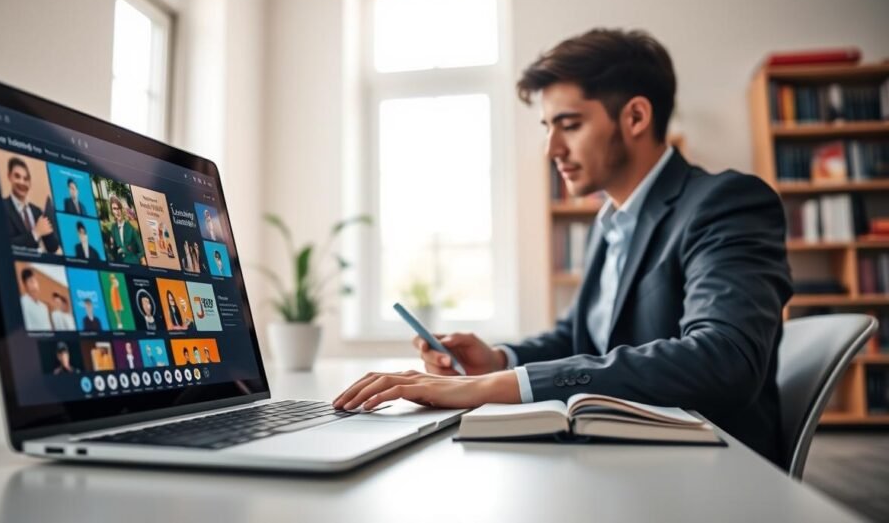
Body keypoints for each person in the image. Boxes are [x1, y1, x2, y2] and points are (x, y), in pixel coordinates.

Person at [333, 28, 792, 467]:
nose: (551, 147)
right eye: (547, 127)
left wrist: (496, 385)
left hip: (713, 470)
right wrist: (498, 359)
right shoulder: (608, 221)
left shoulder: (725, 203)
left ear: (635, 117)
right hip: (624, 454)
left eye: (569, 125)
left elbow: (724, 358)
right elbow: (579, 336)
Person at [3, 157, 60, 253]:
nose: (22, 182)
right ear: (9, 176)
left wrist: (51, 221)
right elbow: (6, 244)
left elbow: (52, 247)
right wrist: (36, 233)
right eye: (17, 176)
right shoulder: (2, 206)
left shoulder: (37, 211)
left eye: (26, 179)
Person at [108, 194, 144, 264]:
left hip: (133, 264)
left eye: (119, 208)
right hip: (120, 265)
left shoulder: (131, 226)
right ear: (112, 211)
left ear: (122, 209)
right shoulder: (113, 228)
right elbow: (113, 249)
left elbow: (142, 250)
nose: (117, 211)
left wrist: (135, 259)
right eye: (114, 209)